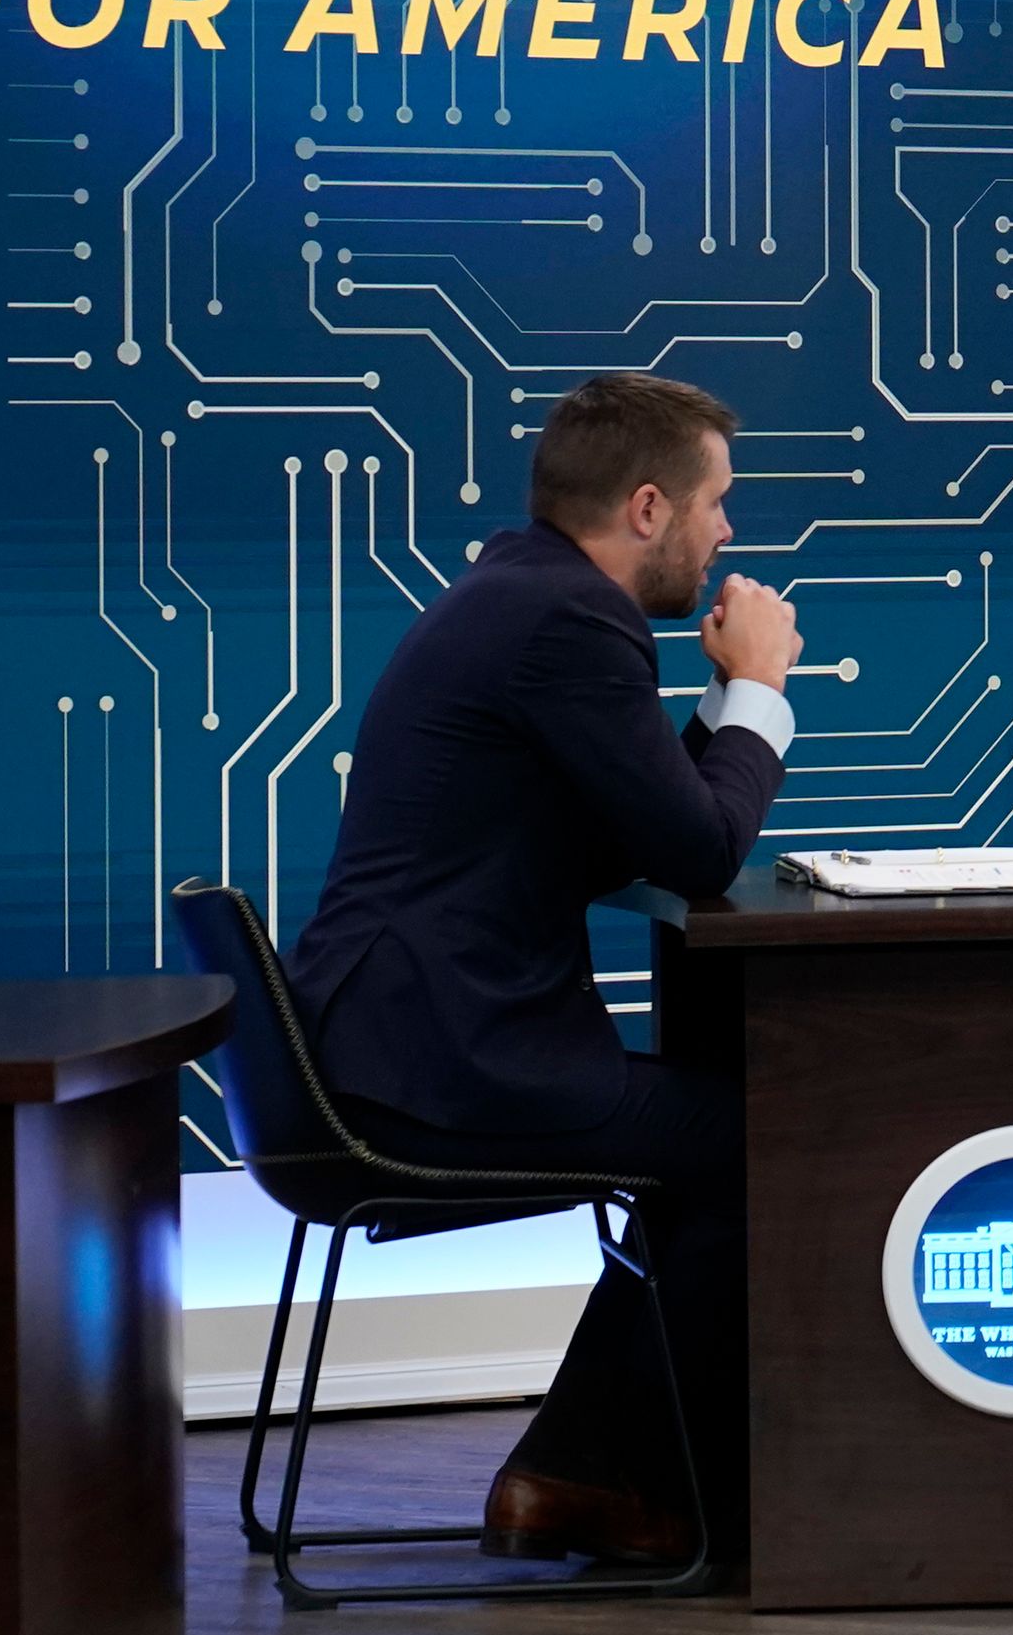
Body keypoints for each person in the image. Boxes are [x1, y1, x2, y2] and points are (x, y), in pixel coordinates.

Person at [290, 372, 801, 1565]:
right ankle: (608, 1484)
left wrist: (725, 699)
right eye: (715, 502)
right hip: (440, 1068)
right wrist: (763, 691)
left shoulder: (521, 595)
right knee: (768, 1145)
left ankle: (576, 1476)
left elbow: (640, 822)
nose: (728, 530)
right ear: (645, 507)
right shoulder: (571, 622)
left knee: (721, 1141)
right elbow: (701, 843)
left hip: (400, 1048)